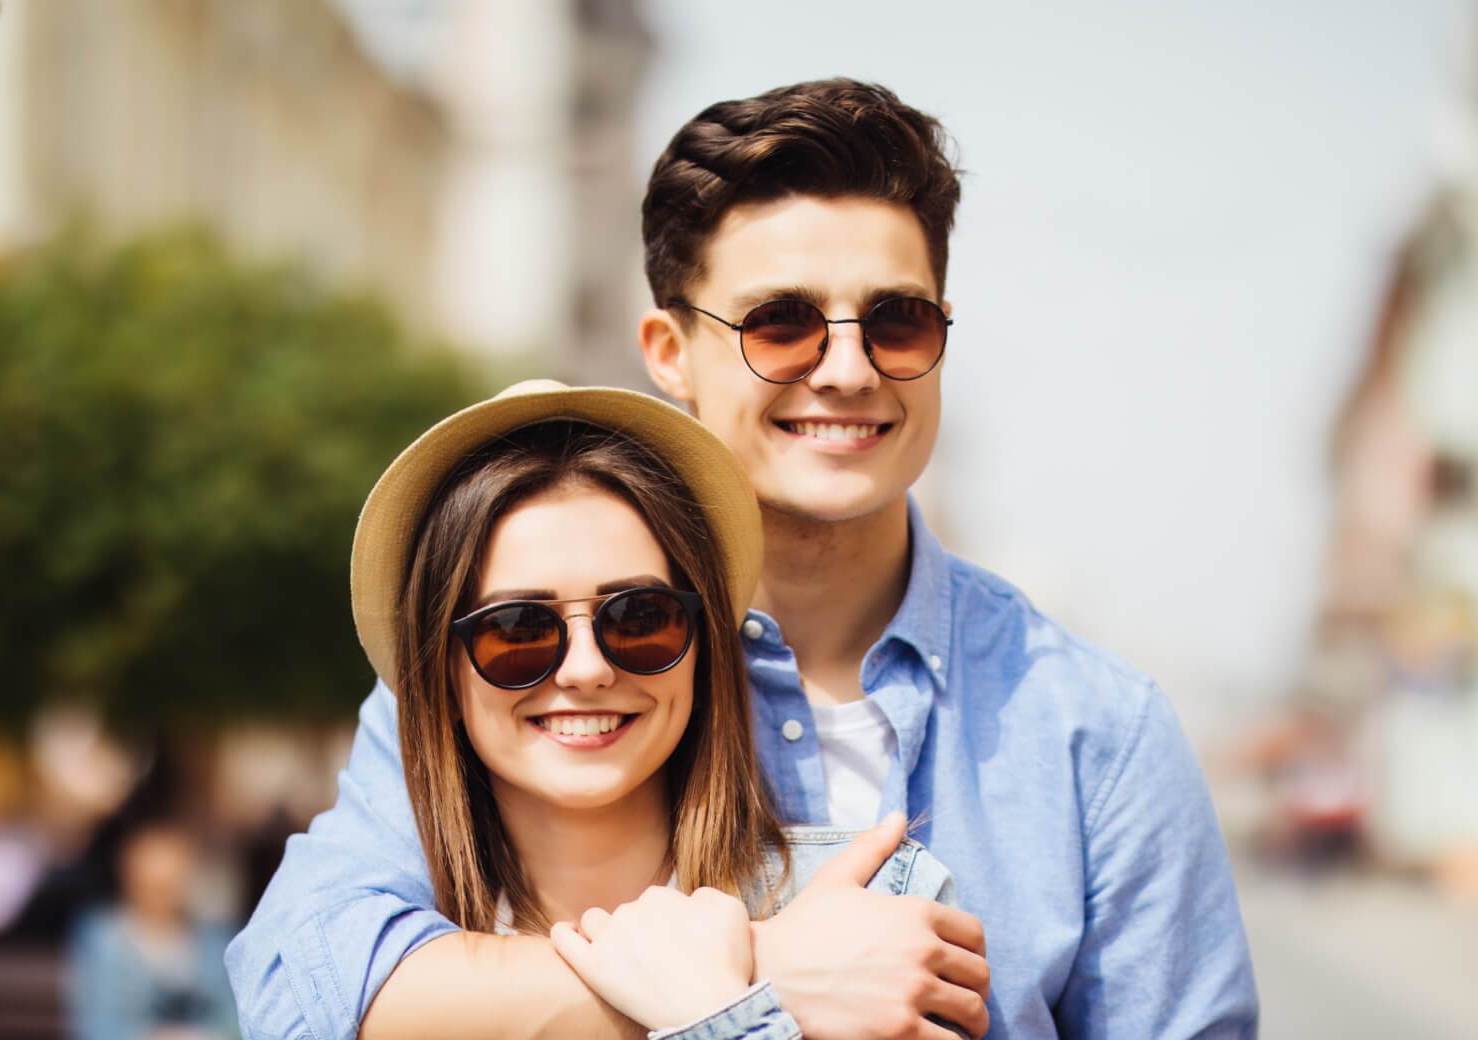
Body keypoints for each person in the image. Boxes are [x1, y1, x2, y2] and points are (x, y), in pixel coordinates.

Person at [228, 79, 1259, 1039]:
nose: (846, 370)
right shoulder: (524, 668)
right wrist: (771, 971)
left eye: (896, 321)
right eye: (782, 324)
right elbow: (298, 986)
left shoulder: (1097, 731)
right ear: (669, 352)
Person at [344, 381, 965, 1037]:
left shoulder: (878, 920)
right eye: (518, 629)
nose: (586, 669)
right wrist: (754, 978)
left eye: (640, 618)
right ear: (444, 679)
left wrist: (717, 1012)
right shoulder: (368, 969)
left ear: (702, 649)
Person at [69, 820, 238, 1040]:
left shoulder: (214, 941)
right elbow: (99, 1027)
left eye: (169, 885)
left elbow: (233, 1022)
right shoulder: (105, 939)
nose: (162, 896)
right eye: (154, 886)